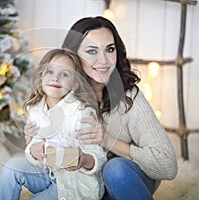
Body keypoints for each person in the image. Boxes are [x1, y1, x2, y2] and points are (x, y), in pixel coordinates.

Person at [24, 17, 178, 200]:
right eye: (91, 51)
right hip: (89, 187)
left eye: (110, 49)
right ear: (72, 56)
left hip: (126, 179)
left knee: (114, 169)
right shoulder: (58, 93)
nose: (104, 60)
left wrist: (107, 140)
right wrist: (35, 139)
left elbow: (167, 165)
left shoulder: (129, 98)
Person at [0, 49, 107, 200]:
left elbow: (99, 156)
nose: (55, 78)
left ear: (75, 84)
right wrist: (34, 151)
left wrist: (83, 160)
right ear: (41, 76)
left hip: (73, 183)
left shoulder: (83, 112)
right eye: (49, 72)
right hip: (47, 174)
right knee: (11, 167)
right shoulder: (35, 110)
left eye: (64, 74)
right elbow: (33, 146)